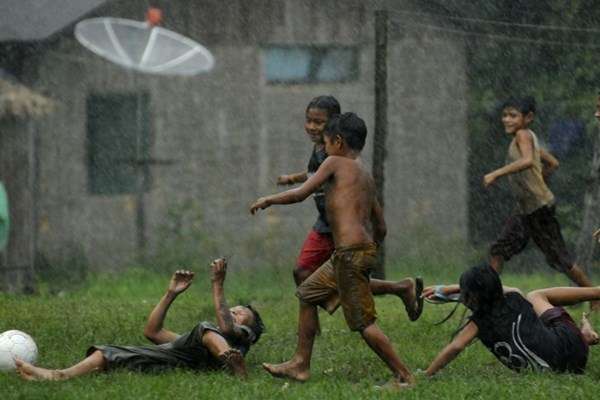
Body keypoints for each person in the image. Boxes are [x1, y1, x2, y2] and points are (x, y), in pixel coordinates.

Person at [251, 113, 422, 390]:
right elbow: (381, 226)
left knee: (363, 323)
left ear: (338, 142)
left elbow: (301, 193)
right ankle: (300, 364)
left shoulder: (333, 162)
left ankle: (405, 376)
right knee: (307, 293)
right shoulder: (365, 175)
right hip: (355, 251)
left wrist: (269, 199)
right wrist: (370, 250)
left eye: (326, 142)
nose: (324, 148)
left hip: (349, 252)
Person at [276, 95, 422, 317]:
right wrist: (293, 178)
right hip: (324, 222)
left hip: (338, 226)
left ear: (336, 132)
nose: (312, 127)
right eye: (309, 120)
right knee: (305, 272)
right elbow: (316, 174)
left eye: (319, 122)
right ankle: (397, 288)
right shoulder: (322, 149)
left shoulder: (338, 155)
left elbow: (349, 182)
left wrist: (272, 199)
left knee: (336, 276)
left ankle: (395, 289)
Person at [15, 259, 264, 381]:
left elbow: (225, 327)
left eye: (240, 312)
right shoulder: (198, 342)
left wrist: (217, 283)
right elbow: (153, 332)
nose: (232, 311)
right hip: (188, 358)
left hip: (222, 352)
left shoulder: (242, 335)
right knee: (106, 353)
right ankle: (59, 376)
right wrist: (170, 294)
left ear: (249, 332)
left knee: (205, 327)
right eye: (231, 308)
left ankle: (234, 367)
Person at [484, 96, 598, 309]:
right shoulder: (527, 137)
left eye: (513, 115)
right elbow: (553, 163)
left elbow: (527, 161)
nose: (507, 120)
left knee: (560, 259)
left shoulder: (523, 135)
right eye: (505, 115)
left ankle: (595, 297)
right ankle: (491, 300)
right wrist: (536, 183)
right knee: (498, 250)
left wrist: (496, 173)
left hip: (538, 209)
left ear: (528, 118)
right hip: (528, 208)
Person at [423, 264, 599, 376]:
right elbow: (505, 290)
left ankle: (595, 298)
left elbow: (456, 347)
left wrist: (426, 374)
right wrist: (450, 289)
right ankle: (585, 332)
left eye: (464, 294)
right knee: (534, 297)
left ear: (473, 298)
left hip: (567, 366)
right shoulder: (515, 299)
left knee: (535, 299)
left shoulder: (479, 323)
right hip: (575, 350)